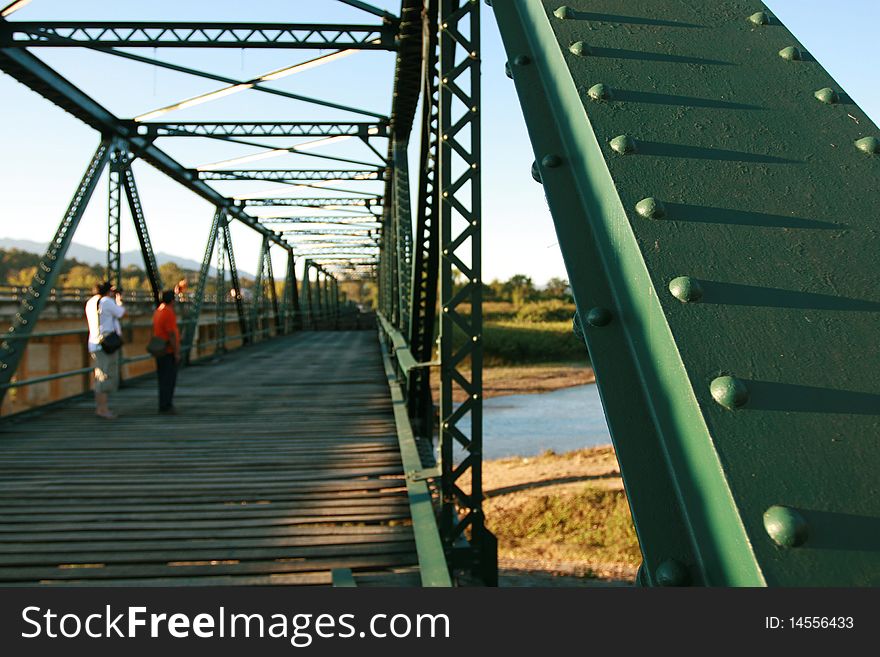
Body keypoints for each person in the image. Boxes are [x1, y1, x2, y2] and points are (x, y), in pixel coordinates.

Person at [85, 281, 126, 419]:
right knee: (104, 376)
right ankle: (103, 409)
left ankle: (101, 408)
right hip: (106, 344)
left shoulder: (91, 302)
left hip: (94, 343)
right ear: (108, 291)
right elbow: (120, 313)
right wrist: (119, 301)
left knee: (99, 375)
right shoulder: (107, 301)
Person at [152, 290, 181, 413]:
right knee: (169, 379)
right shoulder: (168, 312)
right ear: (172, 301)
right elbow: (171, 334)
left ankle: (163, 404)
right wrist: (176, 352)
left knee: (162, 378)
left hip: (159, 349)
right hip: (167, 350)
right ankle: (166, 405)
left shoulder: (158, 311)